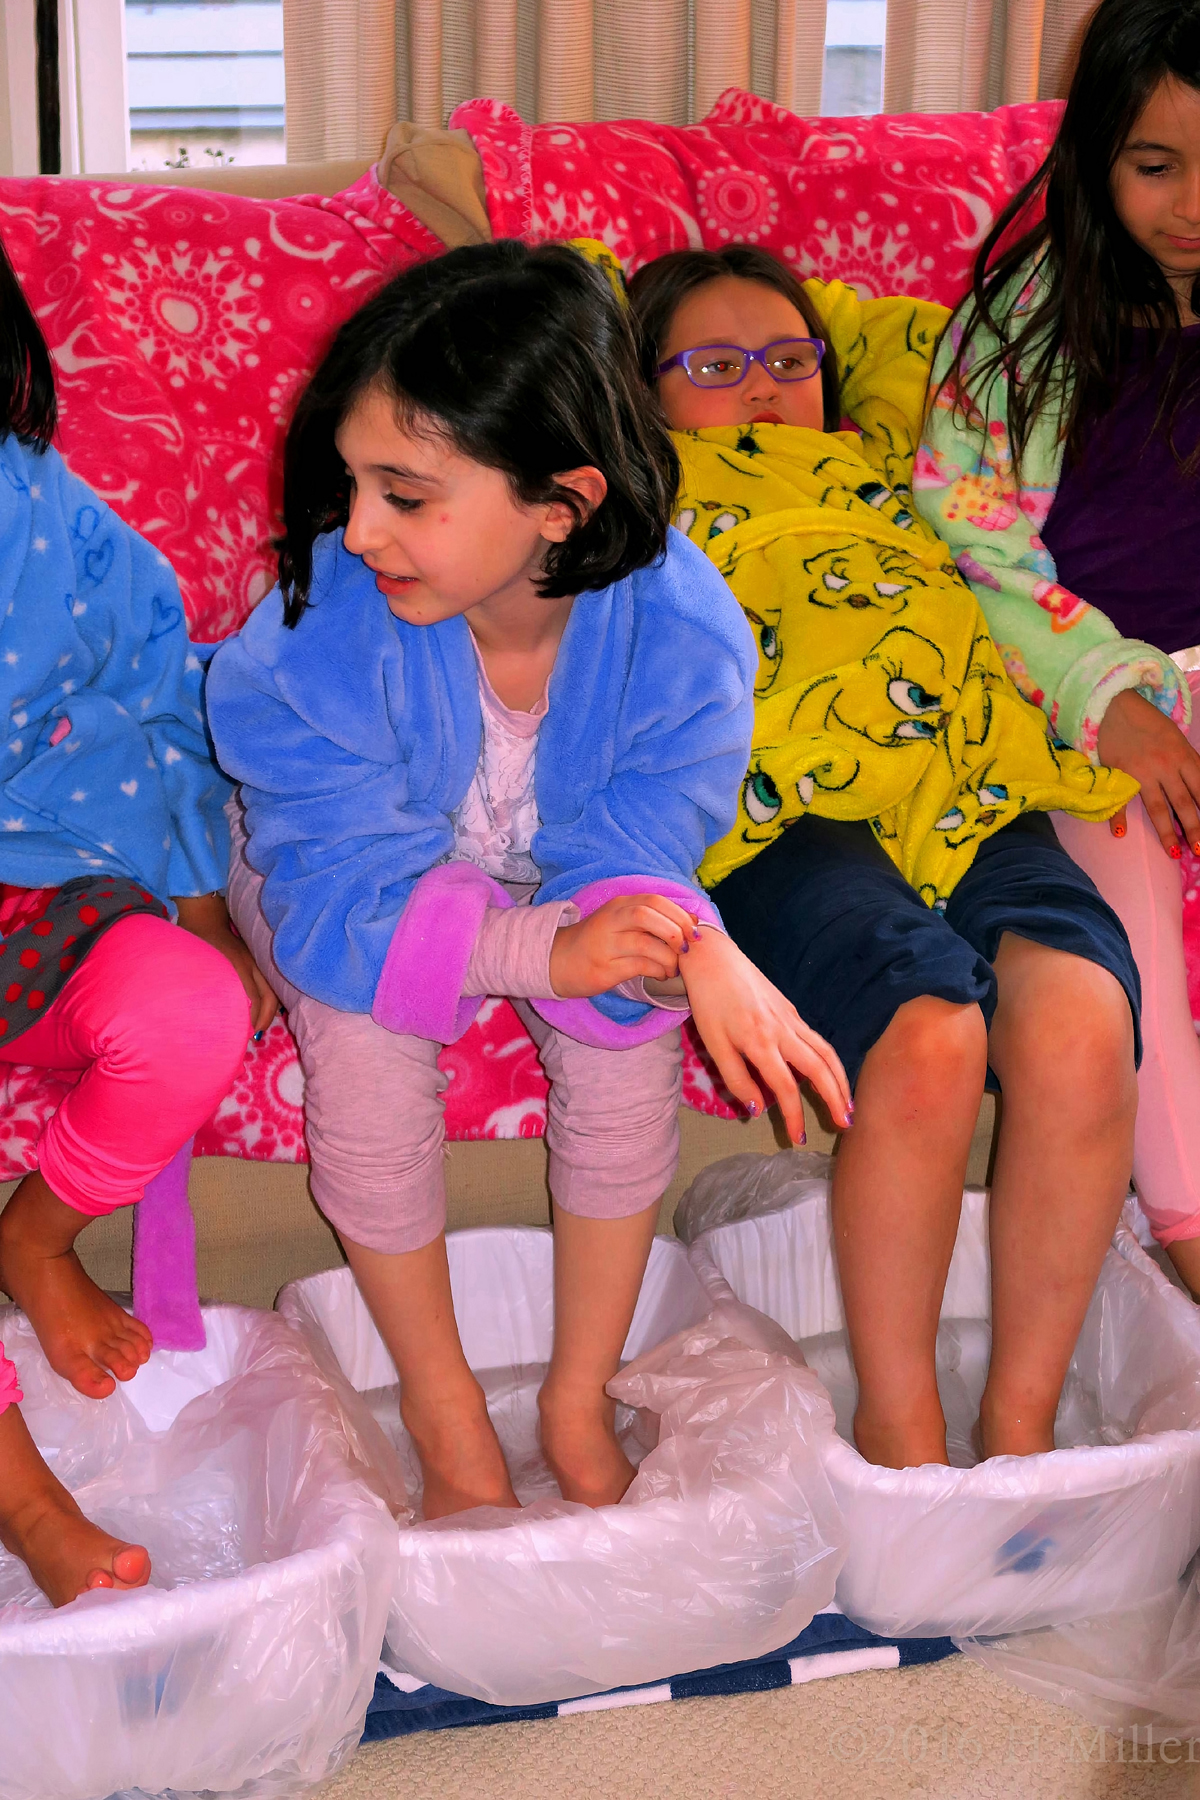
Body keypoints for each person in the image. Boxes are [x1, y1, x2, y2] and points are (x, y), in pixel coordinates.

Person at [206, 240, 851, 1519]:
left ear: (562, 504)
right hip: (345, 878)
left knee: (627, 1032)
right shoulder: (312, 639)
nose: (362, 529)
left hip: (547, 874)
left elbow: (640, 848)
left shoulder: (679, 631)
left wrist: (682, 945)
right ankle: (447, 1418)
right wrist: (546, 953)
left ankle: (577, 1390)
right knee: (364, 1040)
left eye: (406, 493)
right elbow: (341, 896)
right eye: (353, 483)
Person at [628, 243, 1141, 1470]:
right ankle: (900, 1421)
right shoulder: (634, 494)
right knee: (931, 1032)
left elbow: (926, 335)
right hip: (789, 809)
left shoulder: (884, 460)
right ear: (637, 391)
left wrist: (819, 336)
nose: (760, 385)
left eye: (788, 360)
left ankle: (1020, 1425)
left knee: (1080, 1021)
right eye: (713, 363)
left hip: (962, 785)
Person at [0, 238, 274, 1604]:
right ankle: (23, 1496)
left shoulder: (62, 528)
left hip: (48, 881)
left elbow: (166, 710)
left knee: (192, 1011)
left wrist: (206, 899)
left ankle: (33, 1237)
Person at [916, 0, 1200, 1297]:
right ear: (1095, 159)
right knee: (1120, 862)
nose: (1196, 203)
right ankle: (1190, 1221)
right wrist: (1112, 699)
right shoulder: (1026, 326)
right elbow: (975, 545)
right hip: (1080, 688)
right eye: (1157, 165)